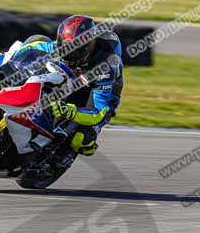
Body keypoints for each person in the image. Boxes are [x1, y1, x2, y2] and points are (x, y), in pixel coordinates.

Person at [13, 14, 124, 156]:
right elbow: (37, 46)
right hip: (77, 75)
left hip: (102, 92)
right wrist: (13, 58)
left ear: (86, 47)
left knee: (81, 141)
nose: (67, 55)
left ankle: (57, 157)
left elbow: (98, 111)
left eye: (73, 51)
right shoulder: (69, 43)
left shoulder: (105, 68)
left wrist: (70, 111)